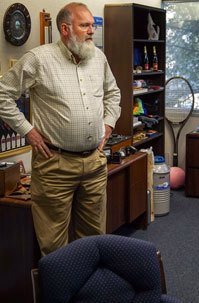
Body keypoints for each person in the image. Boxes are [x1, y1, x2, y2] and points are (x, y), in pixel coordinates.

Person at [0, 2, 121, 255]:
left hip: (94, 163)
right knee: (55, 248)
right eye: (84, 25)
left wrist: (108, 124)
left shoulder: (98, 57)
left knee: (94, 240)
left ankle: (89, 294)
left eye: (91, 25)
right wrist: (28, 131)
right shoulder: (39, 59)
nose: (91, 31)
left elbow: (113, 93)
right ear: (65, 29)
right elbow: (3, 95)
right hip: (55, 165)